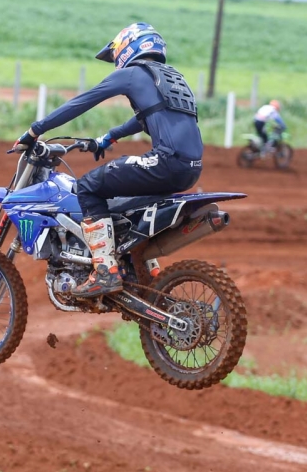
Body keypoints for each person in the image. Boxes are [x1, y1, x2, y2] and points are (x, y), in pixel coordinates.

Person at [16, 22, 202, 297]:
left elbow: (81, 102)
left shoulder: (132, 74)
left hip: (165, 162)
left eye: (116, 55)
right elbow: (148, 116)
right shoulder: (171, 79)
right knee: (125, 205)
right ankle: (143, 272)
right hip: (191, 169)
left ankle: (105, 271)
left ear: (128, 47)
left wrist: (35, 130)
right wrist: (109, 137)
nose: (116, 62)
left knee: (88, 186)